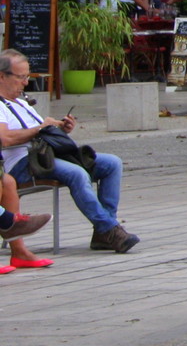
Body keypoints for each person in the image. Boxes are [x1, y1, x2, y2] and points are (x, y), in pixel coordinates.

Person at [0, 48, 138, 253]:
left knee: (111, 163)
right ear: (2, 76)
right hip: (22, 162)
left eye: (27, 76)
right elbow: (5, 139)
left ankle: (103, 231)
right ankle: (110, 230)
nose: (25, 82)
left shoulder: (22, 103)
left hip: (45, 156)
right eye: (21, 77)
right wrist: (39, 128)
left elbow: (40, 132)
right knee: (77, 173)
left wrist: (59, 128)